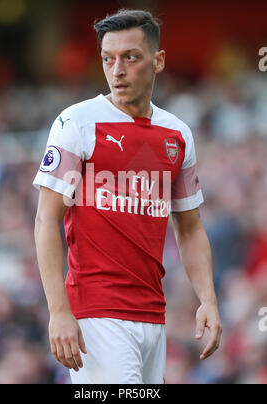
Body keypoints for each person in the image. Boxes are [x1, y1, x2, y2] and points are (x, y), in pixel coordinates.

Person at [33, 9, 222, 384]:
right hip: (97, 312)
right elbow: (46, 219)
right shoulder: (78, 122)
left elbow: (190, 228)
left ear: (158, 61)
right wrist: (59, 311)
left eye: (130, 58)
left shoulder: (177, 133)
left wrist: (209, 300)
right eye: (108, 59)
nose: (117, 70)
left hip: (153, 314)